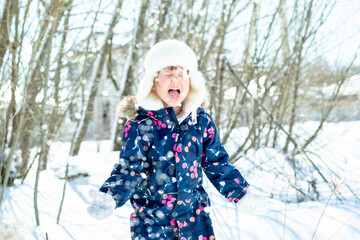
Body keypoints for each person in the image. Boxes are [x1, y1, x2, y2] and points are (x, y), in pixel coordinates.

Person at [87, 39, 265, 240]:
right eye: (168, 74)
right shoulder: (141, 125)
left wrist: (241, 193)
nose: (175, 80)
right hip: (152, 224)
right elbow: (131, 169)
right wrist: (110, 196)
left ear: (191, 82)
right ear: (152, 84)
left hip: (195, 221)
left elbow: (216, 164)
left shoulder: (201, 122)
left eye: (182, 74)